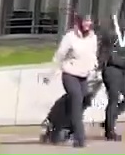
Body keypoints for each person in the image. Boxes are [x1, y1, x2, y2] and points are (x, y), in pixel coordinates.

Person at [44, 14, 99, 148]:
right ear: (79, 22)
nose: (87, 23)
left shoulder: (93, 37)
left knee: (83, 100)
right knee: (76, 100)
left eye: (89, 21)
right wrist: (50, 74)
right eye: (85, 21)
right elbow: (59, 56)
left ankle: (56, 123)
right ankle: (79, 139)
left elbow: (92, 55)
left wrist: (95, 69)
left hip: (83, 76)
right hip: (70, 74)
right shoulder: (70, 37)